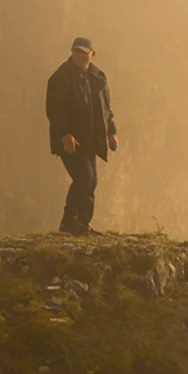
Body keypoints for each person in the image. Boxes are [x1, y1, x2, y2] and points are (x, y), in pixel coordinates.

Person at [45, 36, 119, 236]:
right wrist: (64, 134)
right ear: (72, 53)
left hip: (91, 140)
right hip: (71, 141)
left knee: (91, 180)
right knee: (84, 177)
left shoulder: (98, 78)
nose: (80, 55)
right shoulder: (61, 78)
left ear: (92, 54)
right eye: (76, 52)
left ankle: (82, 225)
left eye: (84, 52)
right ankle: (69, 222)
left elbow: (105, 109)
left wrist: (111, 132)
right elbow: (54, 109)